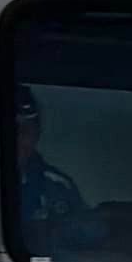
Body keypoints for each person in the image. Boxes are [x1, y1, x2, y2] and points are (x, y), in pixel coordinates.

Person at [15, 83, 85, 225]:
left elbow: (85, 236)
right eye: (11, 127)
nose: (18, 137)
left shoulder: (58, 187)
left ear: (37, 134)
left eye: (26, 129)